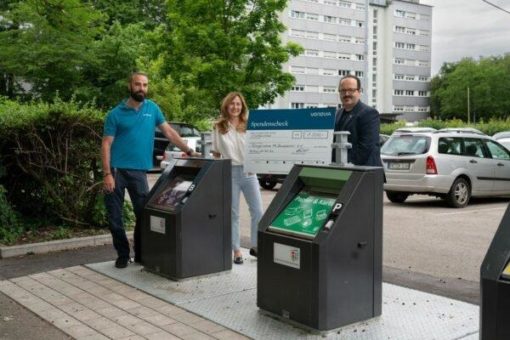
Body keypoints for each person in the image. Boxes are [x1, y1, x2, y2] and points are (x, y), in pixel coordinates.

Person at [101, 71, 197, 269]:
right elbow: (106, 145)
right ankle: (122, 253)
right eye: (138, 84)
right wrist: (107, 174)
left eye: (145, 85)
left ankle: (141, 252)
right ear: (130, 86)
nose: (141, 88)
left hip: (139, 172)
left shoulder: (152, 108)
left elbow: (169, 131)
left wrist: (188, 150)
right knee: (114, 216)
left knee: (143, 215)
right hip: (116, 170)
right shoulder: (115, 114)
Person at [211, 92, 263, 264]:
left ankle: (256, 246)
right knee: (233, 214)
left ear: (243, 106)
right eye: (232, 104)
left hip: (249, 172)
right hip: (229, 172)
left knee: (257, 211)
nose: (235, 107)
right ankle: (237, 250)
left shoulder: (249, 125)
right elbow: (217, 153)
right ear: (227, 106)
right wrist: (217, 175)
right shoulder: (219, 126)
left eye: (238, 104)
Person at [334, 75, 382, 167]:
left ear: (359, 91)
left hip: (364, 174)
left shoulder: (369, 114)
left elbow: (365, 148)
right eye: (343, 90)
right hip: (341, 170)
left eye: (351, 90)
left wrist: (345, 165)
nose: (346, 93)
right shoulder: (337, 114)